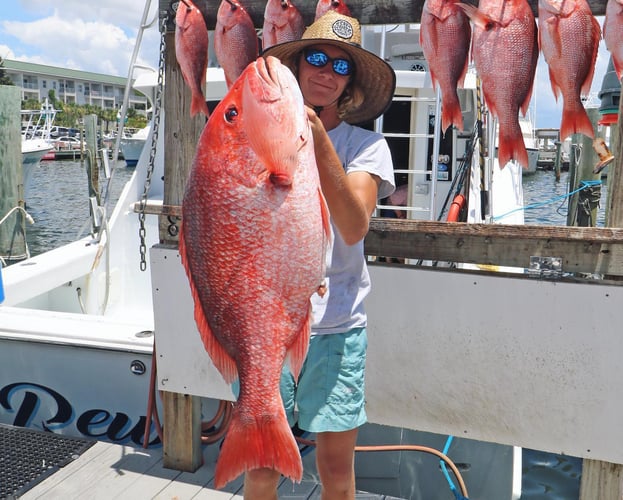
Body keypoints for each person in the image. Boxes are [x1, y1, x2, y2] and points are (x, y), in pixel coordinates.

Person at [246, 12, 396, 499]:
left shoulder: (368, 146)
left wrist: (316, 137)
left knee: (335, 470)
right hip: (267, 325)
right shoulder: (256, 138)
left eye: (341, 66)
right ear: (297, 66)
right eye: (316, 57)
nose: (327, 71)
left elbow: (353, 225)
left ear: (350, 84)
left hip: (336, 326)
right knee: (264, 466)